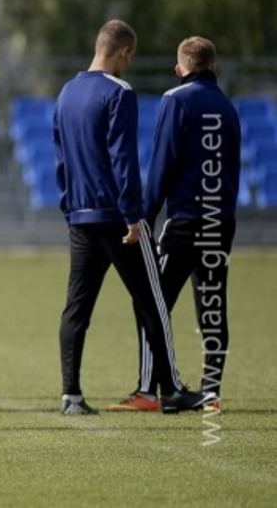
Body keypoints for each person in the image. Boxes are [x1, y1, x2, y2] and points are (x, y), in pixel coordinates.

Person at [53, 19, 213, 415]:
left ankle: (71, 395)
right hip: (117, 217)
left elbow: (61, 157)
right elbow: (122, 158)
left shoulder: (67, 92)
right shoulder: (119, 92)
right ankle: (171, 390)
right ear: (124, 51)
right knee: (153, 300)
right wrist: (132, 214)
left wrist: (69, 206)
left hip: (80, 216)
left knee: (77, 308)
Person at [106, 36, 240, 413]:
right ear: (213, 66)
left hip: (185, 221)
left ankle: (150, 391)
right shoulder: (229, 107)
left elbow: (163, 161)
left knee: (152, 302)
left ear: (180, 69)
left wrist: (145, 216)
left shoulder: (175, 99)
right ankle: (211, 391)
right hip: (220, 219)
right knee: (212, 302)